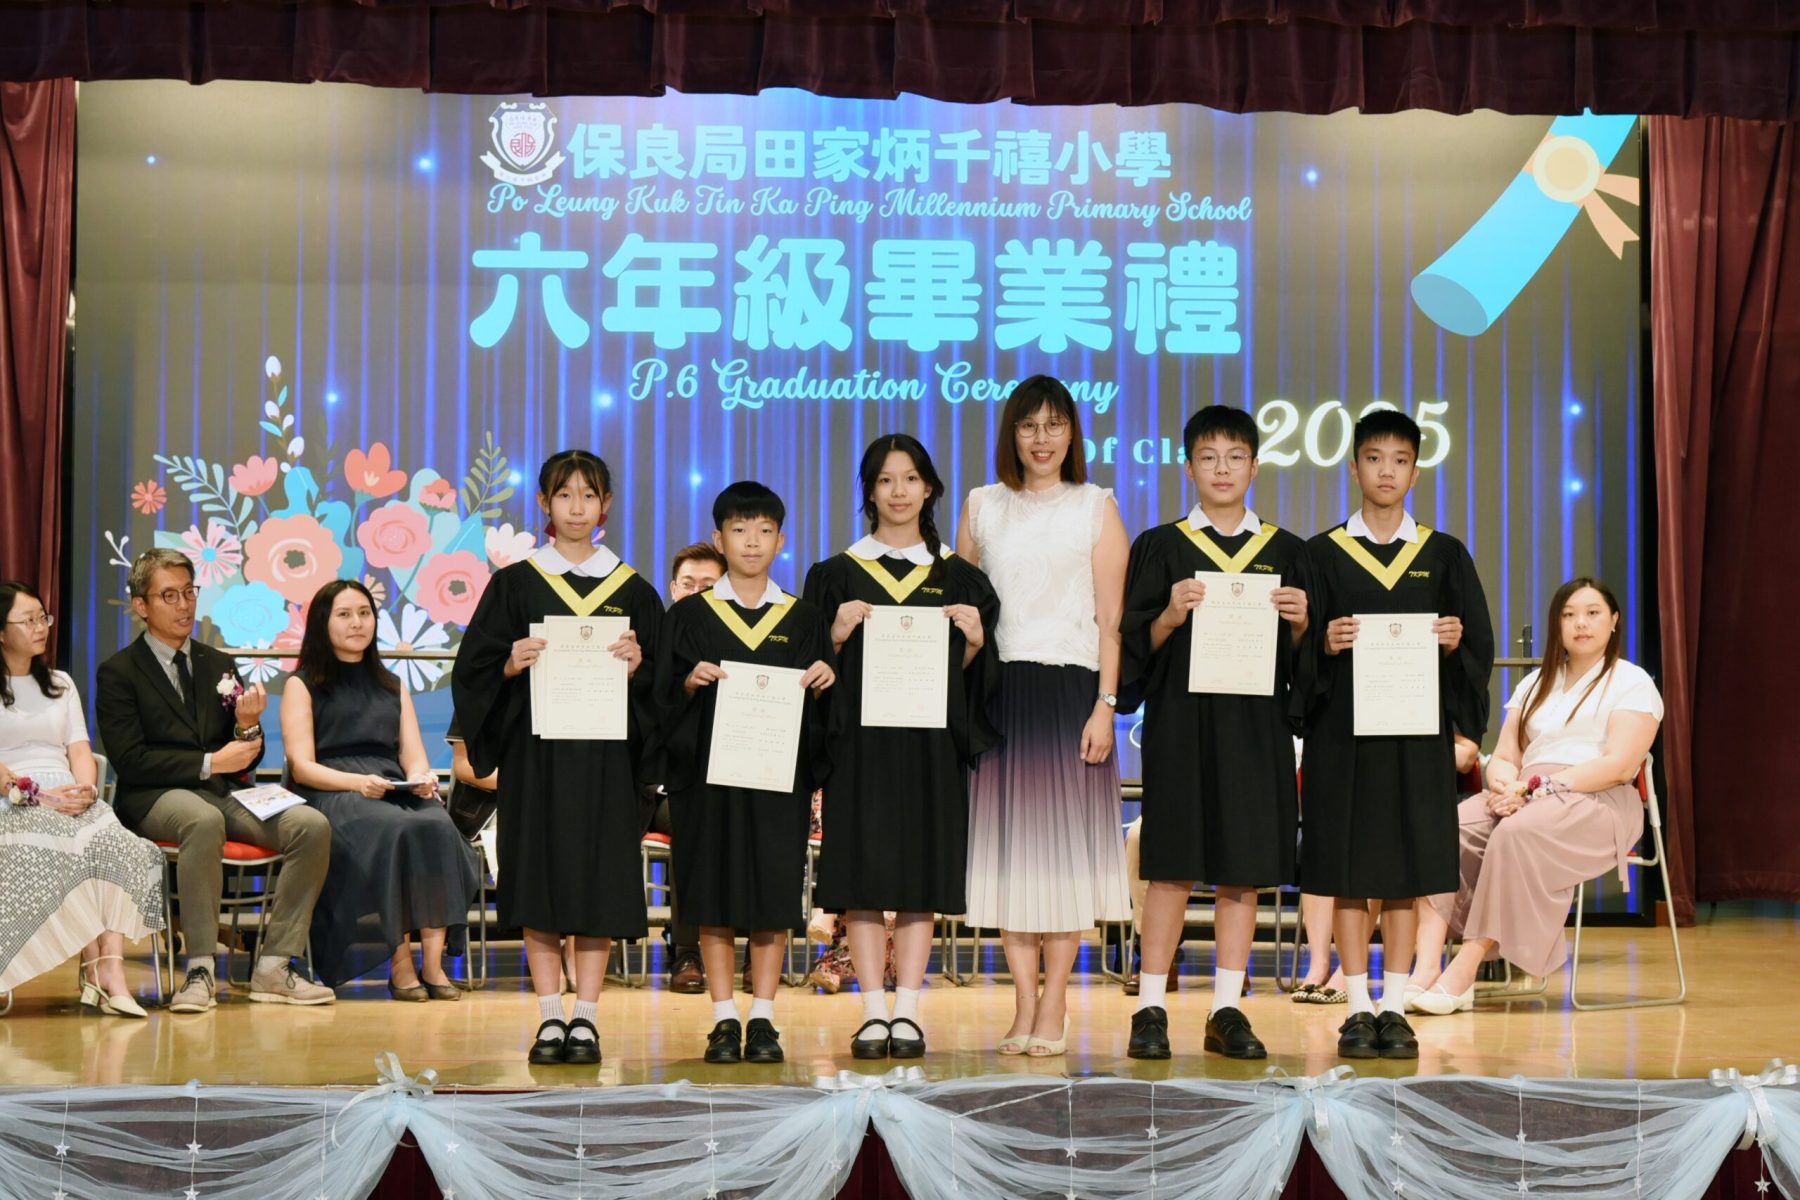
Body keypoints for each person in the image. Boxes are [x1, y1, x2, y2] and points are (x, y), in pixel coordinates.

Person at [453, 449, 662, 1066]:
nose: (577, 507)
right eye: (564, 494)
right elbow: (473, 671)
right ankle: (549, 1016)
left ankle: (587, 1018)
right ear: (544, 502)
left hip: (607, 764)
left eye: (588, 495)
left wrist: (641, 667)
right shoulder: (515, 584)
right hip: (536, 760)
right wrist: (507, 664)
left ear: (606, 505)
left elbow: (663, 688)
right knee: (539, 880)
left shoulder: (633, 590)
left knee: (598, 885)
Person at [1119, 406, 1312, 1060]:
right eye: (1208, 457)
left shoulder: (1287, 553)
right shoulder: (1161, 547)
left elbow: (1306, 668)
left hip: (1256, 731)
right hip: (1180, 727)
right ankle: (1149, 1007)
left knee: (1242, 871)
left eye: (1235, 457)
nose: (1222, 469)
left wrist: (1301, 626)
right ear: (1188, 467)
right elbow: (1133, 650)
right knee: (1170, 867)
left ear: (1255, 466)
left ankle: (1227, 1009)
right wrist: (1167, 617)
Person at [1300, 410, 1494, 1059]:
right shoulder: (1320, 555)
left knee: (1407, 873)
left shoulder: (1442, 555)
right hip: (1342, 740)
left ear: (1416, 471)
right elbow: (1293, 652)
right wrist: (1322, 643)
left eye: (1400, 460)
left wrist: (1456, 643)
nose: (1387, 471)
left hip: (1415, 739)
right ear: (1354, 467)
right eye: (1374, 458)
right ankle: (1358, 1006)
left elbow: (1477, 648)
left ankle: (1393, 1005)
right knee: (1349, 872)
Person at [804, 434, 1000, 1059]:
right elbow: (810, 673)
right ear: (869, 490)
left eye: (910, 478)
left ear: (930, 488)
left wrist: (974, 646)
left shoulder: (961, 579)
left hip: (928, 749)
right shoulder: (834, 576)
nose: (898, 491)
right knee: (861, 877)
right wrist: (833, 636)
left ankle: (909, 1010)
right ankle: (870, 1011)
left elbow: (972, 684)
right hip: (858, 749)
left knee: (921, 875)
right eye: (885, 480)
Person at [957, 374, 1132, 1058]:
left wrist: (1105, 706)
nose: (1041, 438)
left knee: (1061, 860)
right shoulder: (981, 506)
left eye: (1055, 425)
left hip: (1070, 695)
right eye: (1029, 425)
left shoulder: (1096, 506)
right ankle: (1024, 1001)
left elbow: (1112, 620)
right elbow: (963, 610)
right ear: (1012, 433)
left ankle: (1056, 999)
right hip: (999, 696)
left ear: (1072, 434)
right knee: (1010, 858)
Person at [95, 548, 334, 1012]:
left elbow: (246, 753)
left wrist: (246, 727)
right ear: (141, 605)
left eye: (189, 592)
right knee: (202, 821)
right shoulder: (119, 672)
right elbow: (131, 760)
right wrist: (209, 762)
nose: (184, 605)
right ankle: (201, 968)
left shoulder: (218, 663)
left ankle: (274, 965)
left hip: (222, 791)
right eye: (169, 595)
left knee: (311, 825)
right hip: (154, 797)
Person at [1410, 577, 1661, 1013]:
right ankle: (1425, 969)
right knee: (1446, 829)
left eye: (1593, 613)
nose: (1580, 623)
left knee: (1516, 834)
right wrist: (1505, 785)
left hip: (1596, 799)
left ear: (1614, 621)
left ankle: (1464, 972)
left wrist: (1535, 789)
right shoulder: (1536, 683)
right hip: (1525, 792)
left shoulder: (1632, 681)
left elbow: (1620, 765)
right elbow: (1506, 755)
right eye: (1569, 615)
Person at [656, 481, 835, 1066]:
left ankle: (763, 1017)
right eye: (738, 530)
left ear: (781, 541)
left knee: (771, 896)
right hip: (707, 782)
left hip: (778, 782)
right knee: (712, 896)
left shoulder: (803, 618)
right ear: (719, 539)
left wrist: (825, 685)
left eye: (763, 531)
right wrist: (686, 684)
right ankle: (722, 1018)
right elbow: (659, 698)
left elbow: (825, 708)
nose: (751, 542)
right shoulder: (689, 617)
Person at [280, 580, 481, 999]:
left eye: (364, 613)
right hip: (334, 790)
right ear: (322, 623)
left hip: (391, 786)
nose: (357, 623)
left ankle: (433, 966)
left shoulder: (391, 683)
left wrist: (422, 778)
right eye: (344, 614)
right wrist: (359, 783)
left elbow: (413, 754)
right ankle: (400, 962)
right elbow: (302, 766)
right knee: (396, 829)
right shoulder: (302, 684)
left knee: (437, 825)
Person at [0, 582, 163, 1014]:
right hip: (14, 796)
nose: (41, 627)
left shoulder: (60, 683)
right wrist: (33, 794)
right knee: (70, 848)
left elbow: (79, 749)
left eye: (43, 617)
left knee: (116, 844)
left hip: (68, 793)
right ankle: (97, 971)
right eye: (28, 620)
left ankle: (108, 969)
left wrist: (87, 790)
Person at [651, 542, 726, 994]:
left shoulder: (737, 639)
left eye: (708, 586)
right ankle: (687, 950)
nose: (696, 593)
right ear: (672, 588)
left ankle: (751, 949)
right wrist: (684, 687)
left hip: (719, 778)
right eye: (688, 584)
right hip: (653, 791)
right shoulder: (649, 638)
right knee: (691, 817)